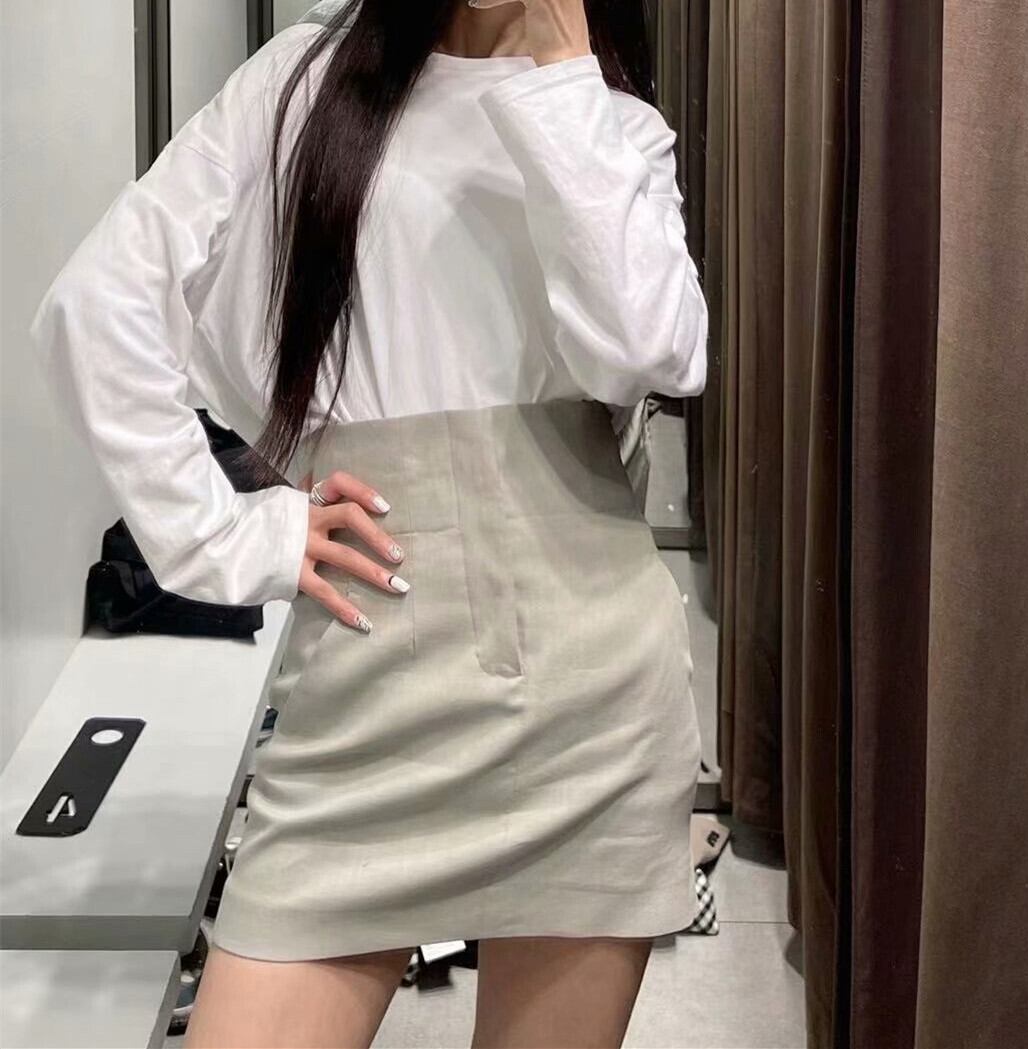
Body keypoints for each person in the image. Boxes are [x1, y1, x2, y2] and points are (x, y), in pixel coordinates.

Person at [30, 0, 709, 1045]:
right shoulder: (302, 80)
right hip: (363, 698)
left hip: (595, 704)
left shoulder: (610, 115)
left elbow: (651, 354)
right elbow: (96, 309)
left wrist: (564, 70)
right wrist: (232, 534)